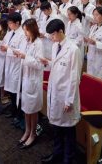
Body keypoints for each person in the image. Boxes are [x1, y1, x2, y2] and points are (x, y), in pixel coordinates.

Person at [40, 19, 81, 164]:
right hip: (55, 92)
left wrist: (69, 100)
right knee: (57, 128)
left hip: (66, 96)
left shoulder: (73, 49)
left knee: (68, 130)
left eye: (53, 35)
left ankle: (68, 159)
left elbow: (74, 77)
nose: (51, 38)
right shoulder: (55, 45)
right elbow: (57, 66)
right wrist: (47, 62)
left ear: (61, 32)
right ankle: (56, 155)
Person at [13, 19, 44, 149]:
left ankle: (33, 133)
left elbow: (38, 64)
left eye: (26, 30)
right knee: (26, 108)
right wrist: (19, 55)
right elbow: (25, 57)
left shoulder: (39, 43)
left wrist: (25, 57)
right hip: (25, 79)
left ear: (32, 29)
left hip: (33, 80)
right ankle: (27, 130)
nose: (24, 33)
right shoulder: (27, 41)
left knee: (33, 110)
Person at [0, 12, 27, 121]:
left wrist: (8, 49)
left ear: (17, 23)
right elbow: (5, 43)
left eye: (10, 23)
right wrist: (3, 47)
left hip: (16, 65)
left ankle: (18, 113)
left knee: (17, 91)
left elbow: (22, 51)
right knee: (11, 91)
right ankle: (13, 110)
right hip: (9, 64)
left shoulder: (23, 35)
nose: (9, 25)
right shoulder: (10, 32)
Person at [65, 6, 84, 75]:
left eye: (70, 14)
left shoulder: (79, 25)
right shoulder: (69, 22)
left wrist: (70, 44)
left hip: (76, 50)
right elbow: (67, 35)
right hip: (68, 48)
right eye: (68, 14)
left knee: (74, 70)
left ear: (76, 14)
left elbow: (79, 40)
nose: (68, 16)